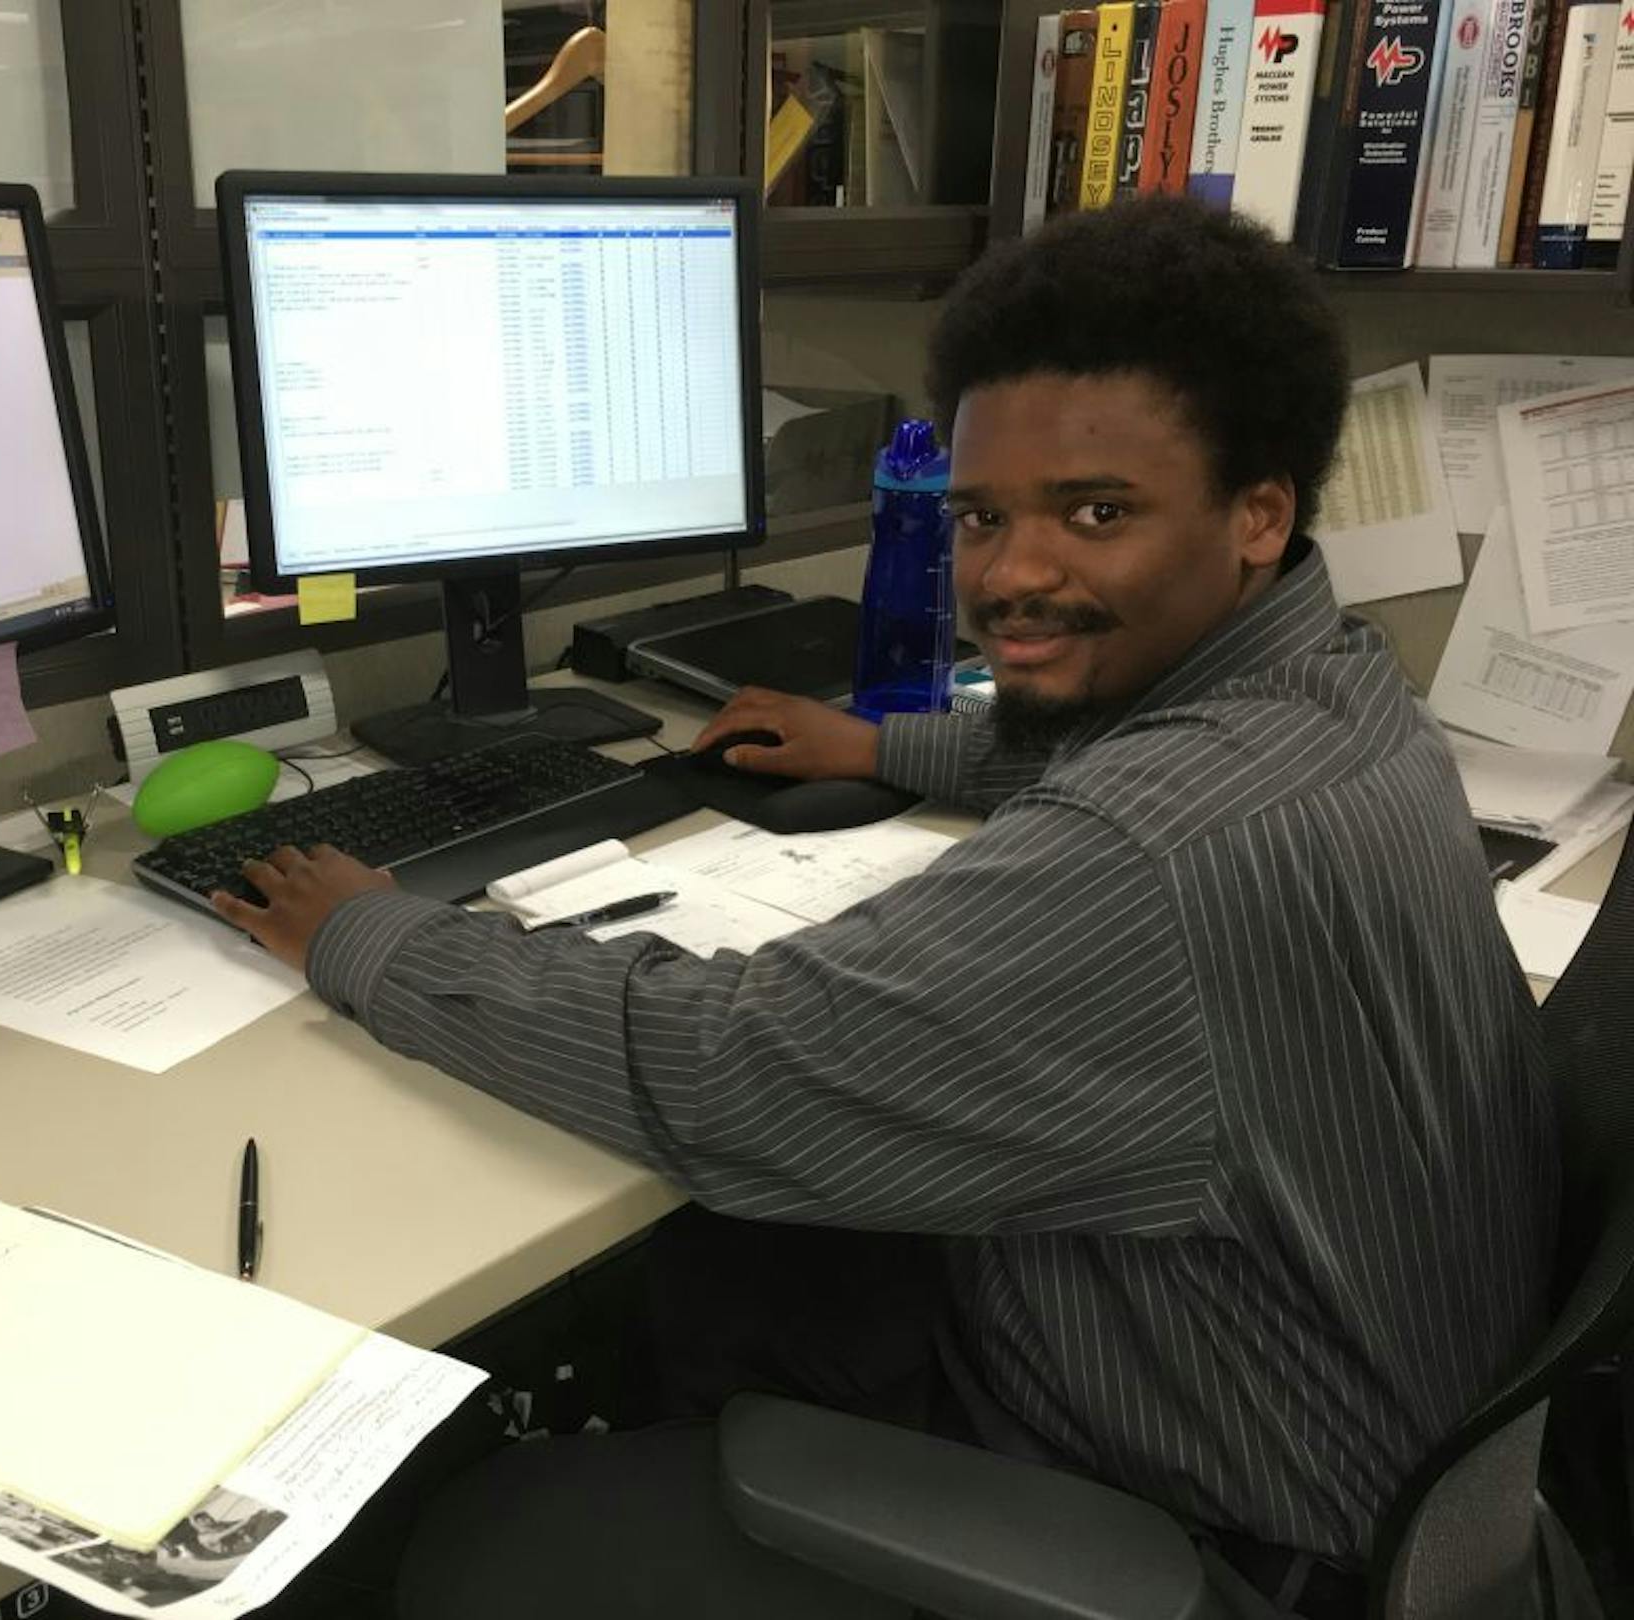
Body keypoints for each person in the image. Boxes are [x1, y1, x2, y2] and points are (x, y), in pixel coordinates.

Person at [210, 197, 1558, 1619]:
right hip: (1322, 1412)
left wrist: (367, 934)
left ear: (1259, 514)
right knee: (697, 1281)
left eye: (1097, 512)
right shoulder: (1339, 691)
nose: (1010, 574)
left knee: (483, 1535)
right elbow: (1111, 744)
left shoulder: (1143, 857)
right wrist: (887, 745)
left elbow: (726, 1064)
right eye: (981, 516)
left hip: (1214, 1525)